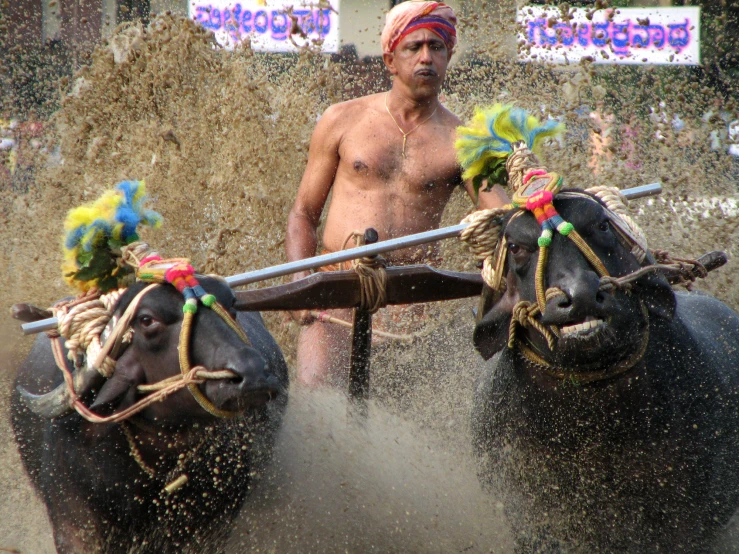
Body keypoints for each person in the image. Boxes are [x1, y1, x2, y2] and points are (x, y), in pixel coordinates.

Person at [285, 0, 507, 388]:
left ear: (448, 56)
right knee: (316, 394)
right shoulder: (342, 119)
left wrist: (534, 192)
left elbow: (502, 217)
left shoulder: (466, 141)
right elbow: (303, 213)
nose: (426, 58)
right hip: (336, 299)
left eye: (436, 48)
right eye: (414, 47)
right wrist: (302, 286)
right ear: (390, 59)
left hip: (417, 309)